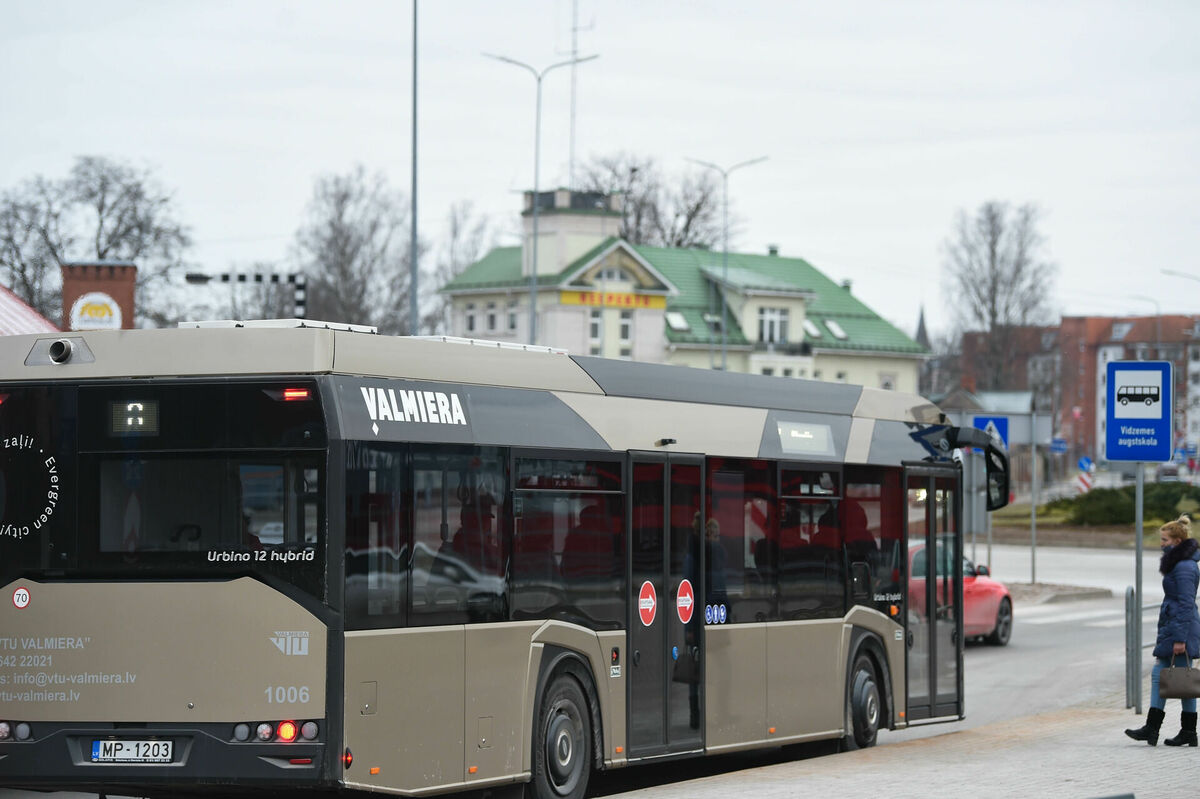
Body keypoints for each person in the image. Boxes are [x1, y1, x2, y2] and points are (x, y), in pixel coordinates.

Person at [1125, 514, 1200, 746]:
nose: (1161, 543)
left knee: (1177, 678)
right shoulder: (1179, 564)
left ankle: (1159, 728)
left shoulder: (1185, 567)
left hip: (1180, 630)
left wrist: (1179, 638)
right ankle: (1177, 730)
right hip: (1174, 627)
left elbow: (1186, 603)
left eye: (1165, 539)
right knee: (1179, 679)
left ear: (1177, 541)